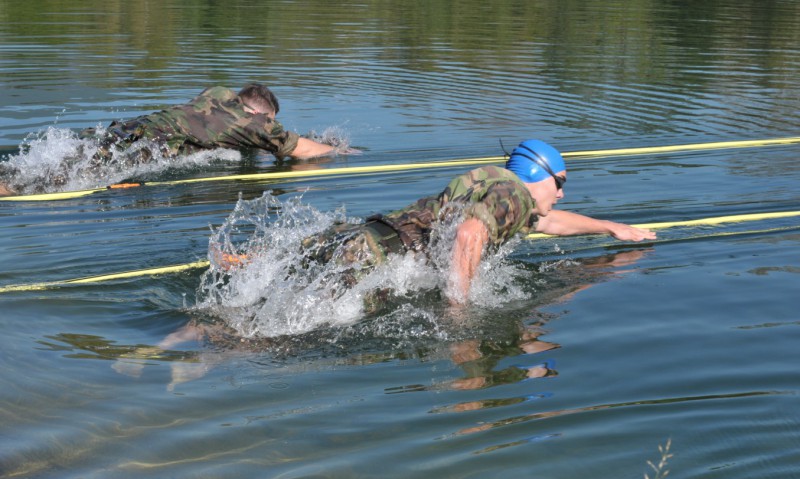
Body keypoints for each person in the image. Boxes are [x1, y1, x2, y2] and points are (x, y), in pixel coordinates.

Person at [276, 138, 656, 303]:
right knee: (277, 338)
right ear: (538, 174)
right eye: (560, 184)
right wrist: (459, 309)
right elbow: (469, 234)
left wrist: (611, 228)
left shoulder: (496, 185)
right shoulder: (515, 196)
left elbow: (549, 223)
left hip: (358, 238)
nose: (560, 194)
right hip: (370, 261)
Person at [0, 83, 350, 196]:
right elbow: (302, 150)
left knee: (34, 171)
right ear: (260, 116)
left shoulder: (218, 94)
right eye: (270, 122)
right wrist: (342, 151)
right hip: (138, 152)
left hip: (121, 132)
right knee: (39, 187)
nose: (270, 128)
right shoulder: (250, 123)